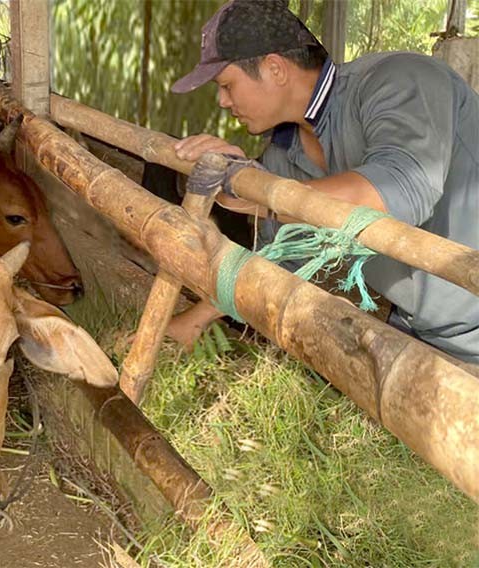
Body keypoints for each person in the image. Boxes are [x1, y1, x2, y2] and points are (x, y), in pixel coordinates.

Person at [166, 0, 479, 367]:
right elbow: (279, 258)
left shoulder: (401, 79)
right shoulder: (284, 153)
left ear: (274, 68)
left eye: (227, 85)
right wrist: (192, 322)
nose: (222, 101)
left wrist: (257, 193)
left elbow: (402, 190)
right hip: (420, 332)